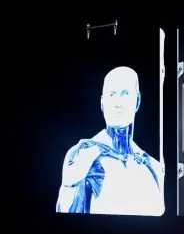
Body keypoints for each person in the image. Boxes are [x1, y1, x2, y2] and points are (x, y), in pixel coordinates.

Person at [56, 66, 164, 216]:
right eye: (112, 94)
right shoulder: (83, 156)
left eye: (125, 94)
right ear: (102, 103)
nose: (117, 103)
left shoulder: (153, 167)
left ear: (137, 101)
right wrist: (68, 187)